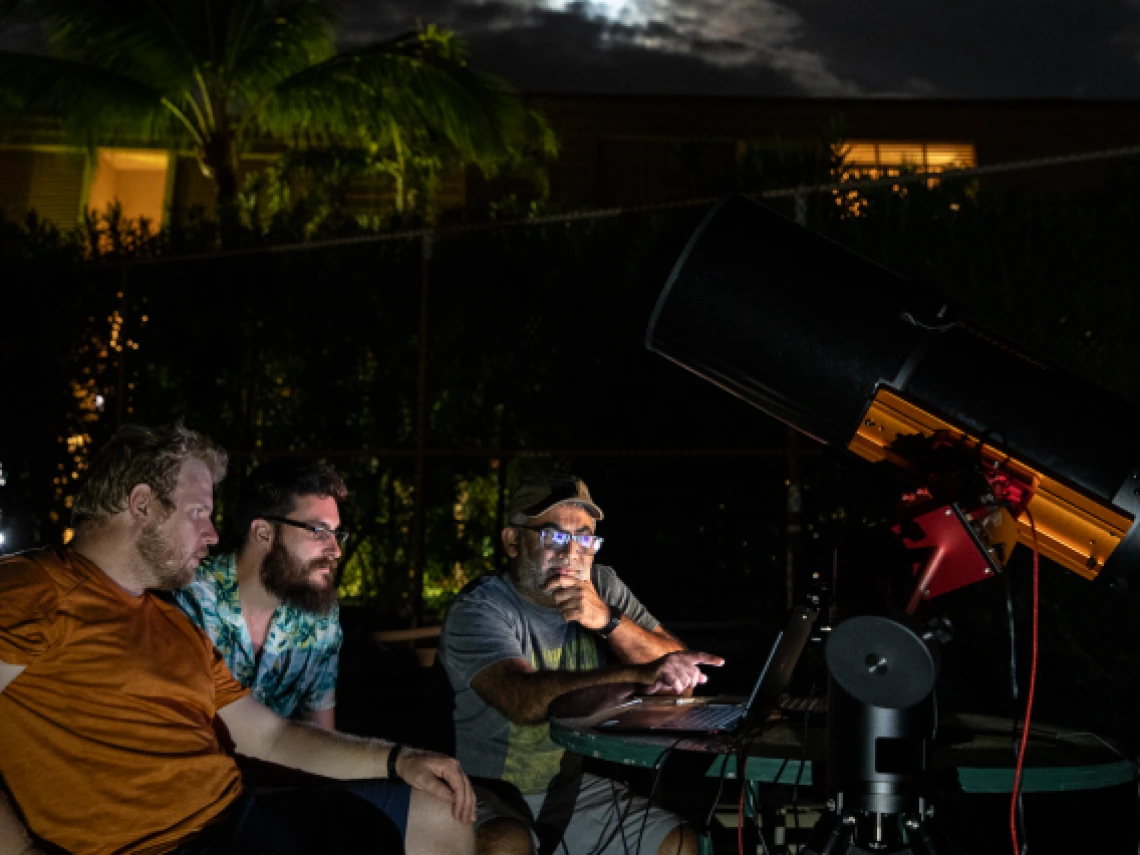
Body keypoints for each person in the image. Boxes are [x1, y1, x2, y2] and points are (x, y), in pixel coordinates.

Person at [0, 423, 475, 855]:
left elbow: (269, 735)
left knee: (439, 815)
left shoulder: (171, 624)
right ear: (142, 504)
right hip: (163, 844)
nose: (211, 534)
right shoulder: (35, 588)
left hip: (238, 818)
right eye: (199, 513)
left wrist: (399, 760)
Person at [438, 474, 724, 855]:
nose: (573, 553)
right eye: (554, 537)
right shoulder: (481, 607)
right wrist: (637, 674)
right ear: (513, 541)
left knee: (682, 844)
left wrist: (608, 620)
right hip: (479, 788)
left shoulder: (602, 586)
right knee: (507, 843)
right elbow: (522, 701)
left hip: (567, 793)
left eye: (586, 538)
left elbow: (680, 674)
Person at [175, 459, 348, 729]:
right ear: (263, 532)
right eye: (318, 531)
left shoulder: (321, 617)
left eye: (336, 534)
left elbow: (322, 729)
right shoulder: (187, 599)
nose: (335, 550)